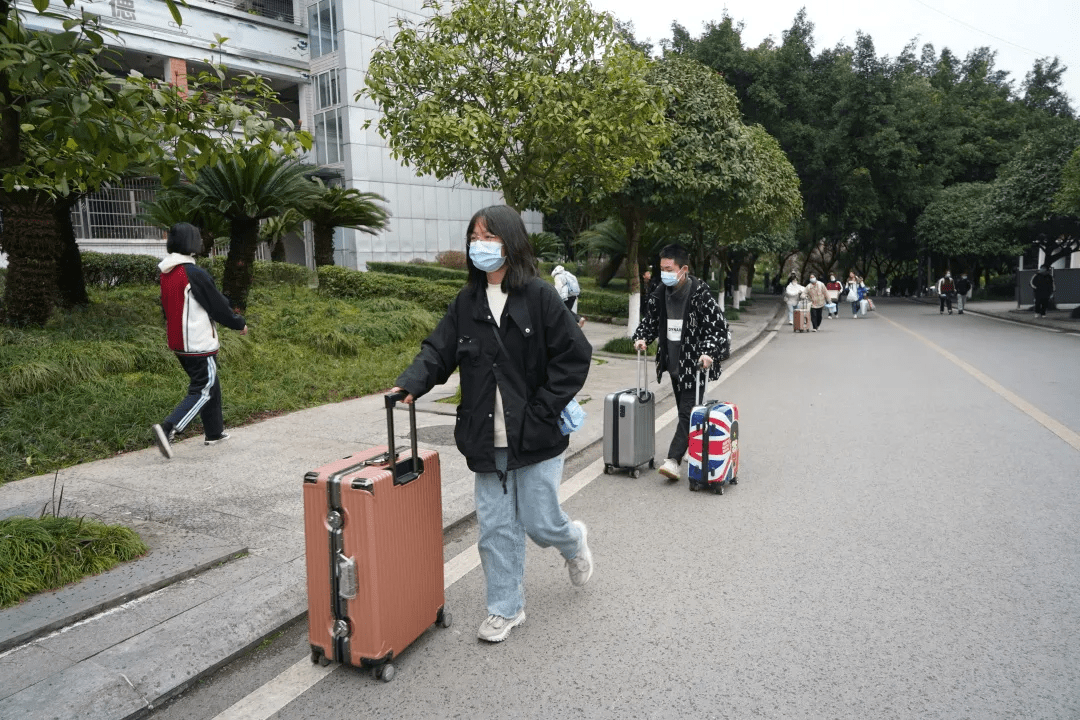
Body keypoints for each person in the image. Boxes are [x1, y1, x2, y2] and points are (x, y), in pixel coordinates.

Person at [391, 205, 594, 644]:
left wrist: (543, 408)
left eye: (488, 237)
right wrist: (409, 384)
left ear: (510, 243)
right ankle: (506, 608)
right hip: (487, 438)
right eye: (474, 237)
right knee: (496, 528)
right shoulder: (467, 301)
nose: (478, 246)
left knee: (540, 521)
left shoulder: (539, 297)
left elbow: (575, 355)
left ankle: (572, 541)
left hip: (537, 435)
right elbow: (438, 350)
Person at [631, 244, 727, 482]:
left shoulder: (700, 293)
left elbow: (717, 328)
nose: (664, 273)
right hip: (672, 362)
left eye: (669, 268)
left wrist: (707, 352)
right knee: (686, 409)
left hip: (695, 365)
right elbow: (651, 321)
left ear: (683, 269)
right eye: (662, 268)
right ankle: (693, 443)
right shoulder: (660, 292)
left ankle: (673, 460)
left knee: (687, 411)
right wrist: (641, 337)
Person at [152, 223, 248, 459]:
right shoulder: (194, 273)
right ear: (193, 243)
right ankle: (168, 428)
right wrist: (238, 322)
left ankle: (214, 433)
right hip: (197, 343)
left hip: (178, 342)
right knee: (203, 389)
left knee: (210, 385)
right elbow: (216, 306)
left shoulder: (167, 272)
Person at [551, 264, 585, 328]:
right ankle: (574, 323)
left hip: (566, 296)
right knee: (567, 310)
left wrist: (555, 295)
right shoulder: (568, 274)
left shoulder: (558, 276)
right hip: (574, 295)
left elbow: (558, 287)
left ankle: (578, 319)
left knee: (564, 310)